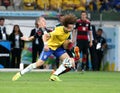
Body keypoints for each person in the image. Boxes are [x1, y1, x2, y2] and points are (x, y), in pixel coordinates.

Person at [12, 14, 77, 81]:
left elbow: (38, 35)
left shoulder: (67, 31)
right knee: (39, 63)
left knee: (69, 61)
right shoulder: (58, 30)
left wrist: (69, 45)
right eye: (43, 21)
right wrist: (45, 44)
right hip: (50, 47)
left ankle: (54, 75)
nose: (71, 29)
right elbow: (44, 36)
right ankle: (20, 73)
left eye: (72, 28)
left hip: (57, 48)